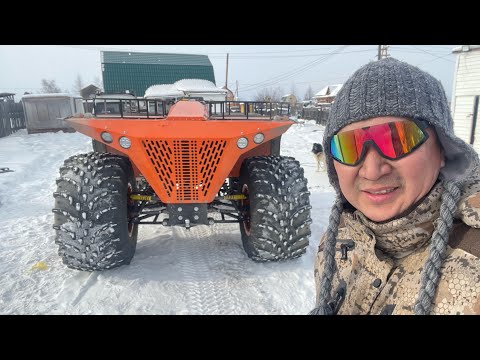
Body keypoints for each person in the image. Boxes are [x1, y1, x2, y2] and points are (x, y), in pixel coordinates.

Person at [309, 57, 480, 315]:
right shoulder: (337, 240)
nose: (372, 170)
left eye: (399, 139)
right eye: (349, 146)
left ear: (443, 148)